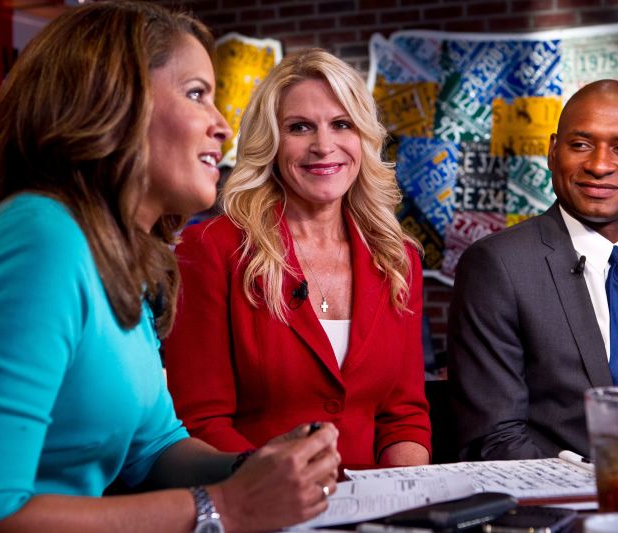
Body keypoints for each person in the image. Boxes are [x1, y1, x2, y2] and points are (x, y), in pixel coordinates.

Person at [0, 3, 340, 532]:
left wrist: (254, 469)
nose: (223, 127)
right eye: (195, 94)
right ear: (115, 100)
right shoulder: (41, 238)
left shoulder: (117, 252)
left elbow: (153, 447)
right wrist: (228, 507)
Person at [164, 48, 431, 467]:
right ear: (270, 142)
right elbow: (200, 421)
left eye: (341, 124)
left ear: (362, 138)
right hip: (259, 507)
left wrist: (406, 500)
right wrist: (284, 492)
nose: (324, 146)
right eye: (300, 127)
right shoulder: (213, 249)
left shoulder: (397, 259)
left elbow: (404, 417)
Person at [448, 80, 618, 464]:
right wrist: (612, 497)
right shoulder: (498, 266)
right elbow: (497, 438)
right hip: (556, 512)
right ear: (552, 151)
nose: (598, 165)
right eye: (580, 145)